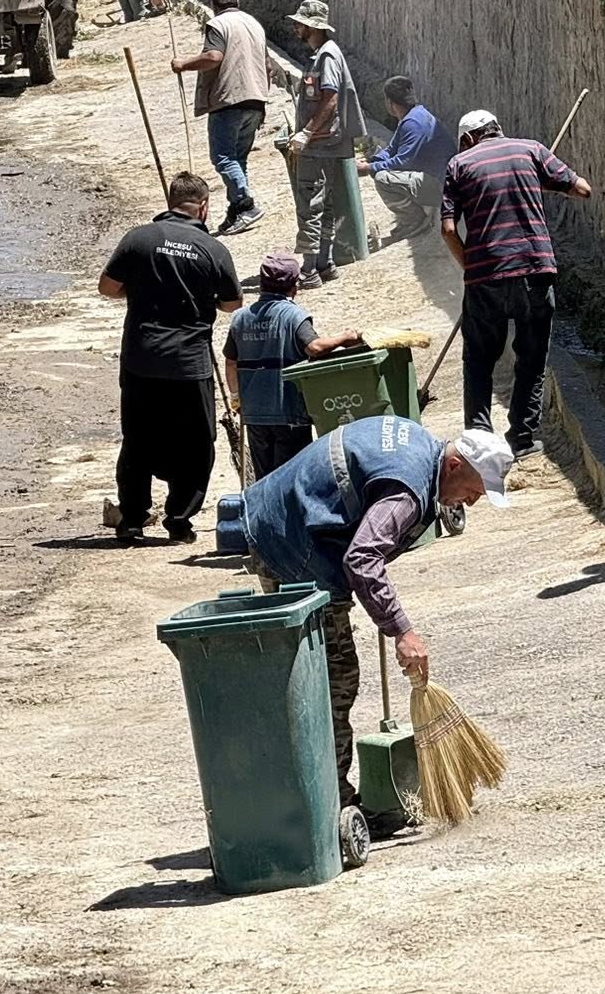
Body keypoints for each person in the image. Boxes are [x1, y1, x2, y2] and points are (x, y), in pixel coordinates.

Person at [214, 417, 516, 806]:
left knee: (322, 674)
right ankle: (330, 801)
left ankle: (320, 791)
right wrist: (402, 631)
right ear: (455, 466)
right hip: (292, 548)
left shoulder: (420, 444)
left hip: (281, 517)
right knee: (334, 678)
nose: (472, 502)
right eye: (474, 491)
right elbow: (362, 559)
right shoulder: (408, 491)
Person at [97, 172, 243, 544]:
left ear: (170, 201)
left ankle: (131, 519)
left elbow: (107, 287)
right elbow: (231, 304)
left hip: (140, 359)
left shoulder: (138, 238)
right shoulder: (213, 249)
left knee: (138, 440)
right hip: (188, 364)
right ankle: (178, 519)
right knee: (196, 444)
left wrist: (139, 294)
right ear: (204, 207)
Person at [440, 108, 593, 459]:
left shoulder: (459, 165)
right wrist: (540, 183)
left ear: (467, 139)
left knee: (478, 360)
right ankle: (521, 439)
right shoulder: (531, 150)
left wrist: (471, 266)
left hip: (486, 278)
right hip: (534, 270)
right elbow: (583, 189)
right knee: (531, 359)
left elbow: (448, 229)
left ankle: (480, 443)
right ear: (498, 130)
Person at [223, 251, 365, 477]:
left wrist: (236, 397)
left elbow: (231, 362)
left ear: (261, 284)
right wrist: (345, 338)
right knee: (292, 478)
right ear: (294, 286)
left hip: (255, 415)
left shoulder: (240, 318)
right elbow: (315, 348)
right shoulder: (293, 316)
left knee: (265, 480)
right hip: (288, 413)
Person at [169, 0, 274, 235]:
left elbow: (213, 57)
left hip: (229, 100)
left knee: (223, 157)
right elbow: (268, 66)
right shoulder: (254, 24)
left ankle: (245, 205)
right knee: (238, 159)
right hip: (256, 100)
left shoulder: (218, 25)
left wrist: (183, 63)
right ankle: (236, 211)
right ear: (236, 1)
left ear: (214, 4)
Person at [278, 0, 365, 287]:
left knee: (309, 204)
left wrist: (307, 133)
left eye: (299, 23)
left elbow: (329, 98)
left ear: (312, 26)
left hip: (319, 143)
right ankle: (324, 263)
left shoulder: (327, 57)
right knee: (324, 204)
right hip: (326, 141)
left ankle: (309, 269)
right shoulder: (324, 55)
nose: (295, 28)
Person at [358, 75, 456, 240]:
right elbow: (392, 149)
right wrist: (371, 161)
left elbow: (402, 161)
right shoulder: (413, 116)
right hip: (437, 179)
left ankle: (414, 221)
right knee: (380, 171)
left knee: (383, 178)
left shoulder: (413, 123)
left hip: (441, 186)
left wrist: (369, 168)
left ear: (390, 102)